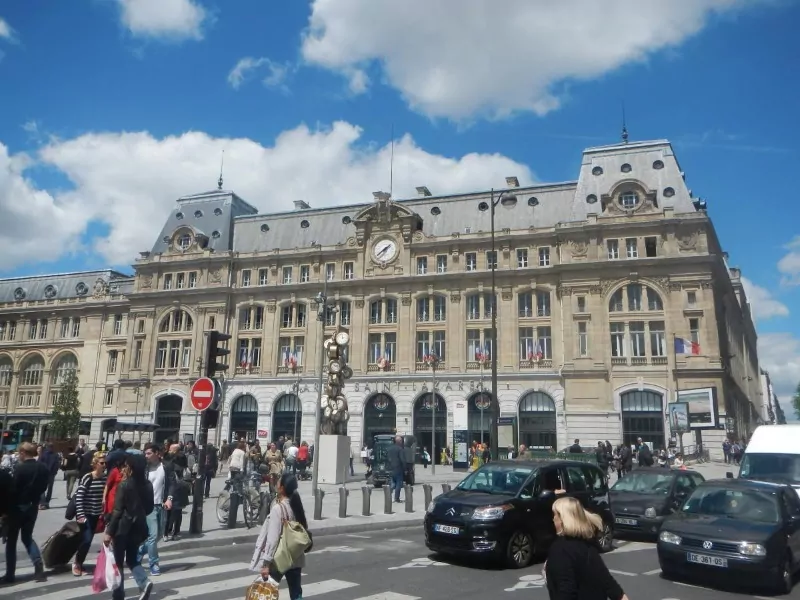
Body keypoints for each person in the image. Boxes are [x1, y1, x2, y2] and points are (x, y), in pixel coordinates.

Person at [545, 496, 628, 600]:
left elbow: (566, 592)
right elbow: (610, 586)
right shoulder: (589, 547)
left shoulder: (559, 550)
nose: (553, 519)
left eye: (555, 515)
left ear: (563, 519)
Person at [250, 473, 308, 600]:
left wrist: (266, 564)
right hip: (295, 557)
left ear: (282, 488)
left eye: (278, 482)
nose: (276, 483)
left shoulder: (278, 509)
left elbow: (272, 539)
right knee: (296, 593)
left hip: (279, 560)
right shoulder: (296, 506)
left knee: (266, 593)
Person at [105, 453, 154, 600]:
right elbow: (149, 508)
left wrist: (109, 532)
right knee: (132, 559)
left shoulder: (124, 485)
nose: (123, 469)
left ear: (131, 468)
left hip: (122, 528)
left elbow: (118, 511)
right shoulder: (147, 485)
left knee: (118, 560)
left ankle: (118, 593)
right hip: (138, 527)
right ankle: (144, 582)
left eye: (126, 466)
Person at [2, 442, 49, 584]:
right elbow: (44, 487)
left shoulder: (20, 469)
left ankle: (10, 574)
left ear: (23, 452)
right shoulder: (43, 468)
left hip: (16, 509)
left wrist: (6, 511)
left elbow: (12, 490)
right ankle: (38, 565)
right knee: (27, 537)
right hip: (32, 507)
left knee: (11, 541)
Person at [73, 452, 108, 576]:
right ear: (95, 464)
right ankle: (77, 563)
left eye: (105, 463)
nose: (104, 465)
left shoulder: (105, 478)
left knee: (88, 539)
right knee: (87, 539)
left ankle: (80, 562)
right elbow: (79, 497)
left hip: (96, 515)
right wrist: (81, 515)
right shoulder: (88, 477)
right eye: (101, 463)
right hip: (85, 514)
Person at [386, 436, 406, 503]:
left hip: (390, 468)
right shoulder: (400, 449)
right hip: (398, 468)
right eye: (401, 441)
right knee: (398, 484)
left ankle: (388, 494)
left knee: (392, 483)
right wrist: (405, 469)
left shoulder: (389, 449)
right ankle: (396, 498)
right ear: (399, 442)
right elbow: (402, 460)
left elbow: (387, 458)